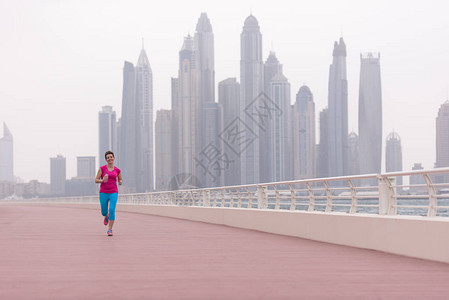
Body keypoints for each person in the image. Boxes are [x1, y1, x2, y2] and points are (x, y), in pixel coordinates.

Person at [95, 150, 122, 236]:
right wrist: (102, 180)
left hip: (114, 192)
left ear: (113, 158)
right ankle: (106, 216)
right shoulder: (102, 169)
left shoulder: (117, 170)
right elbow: (96, 180)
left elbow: (120, 179)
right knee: (104, 212)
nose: (110, 159)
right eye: (108, 158)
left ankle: (110, 229)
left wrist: (120, 182)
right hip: (103, 192)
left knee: (112, 210)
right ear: (106, 160)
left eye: (111, 157)